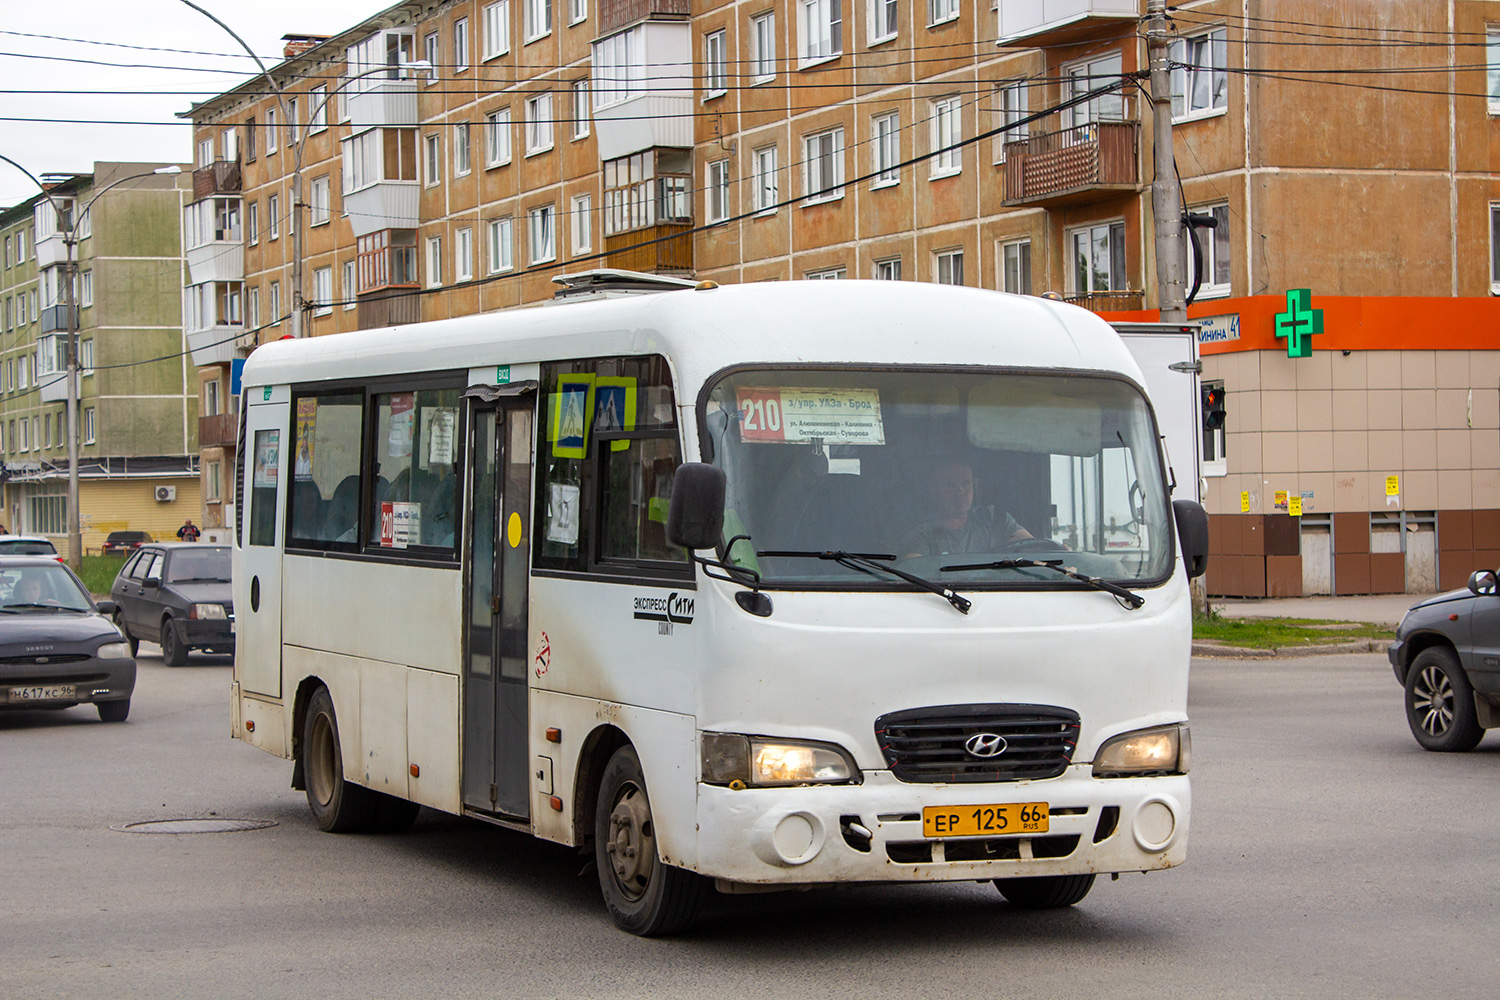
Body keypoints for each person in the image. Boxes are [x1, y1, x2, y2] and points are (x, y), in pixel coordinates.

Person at [900, 458, 1033, 558]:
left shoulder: (994, 518)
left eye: (966, 483)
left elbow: (1033, 549)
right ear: (934, 491)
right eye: (950, 485)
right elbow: (914, 574)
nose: (960, 491)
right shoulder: (923, 534)